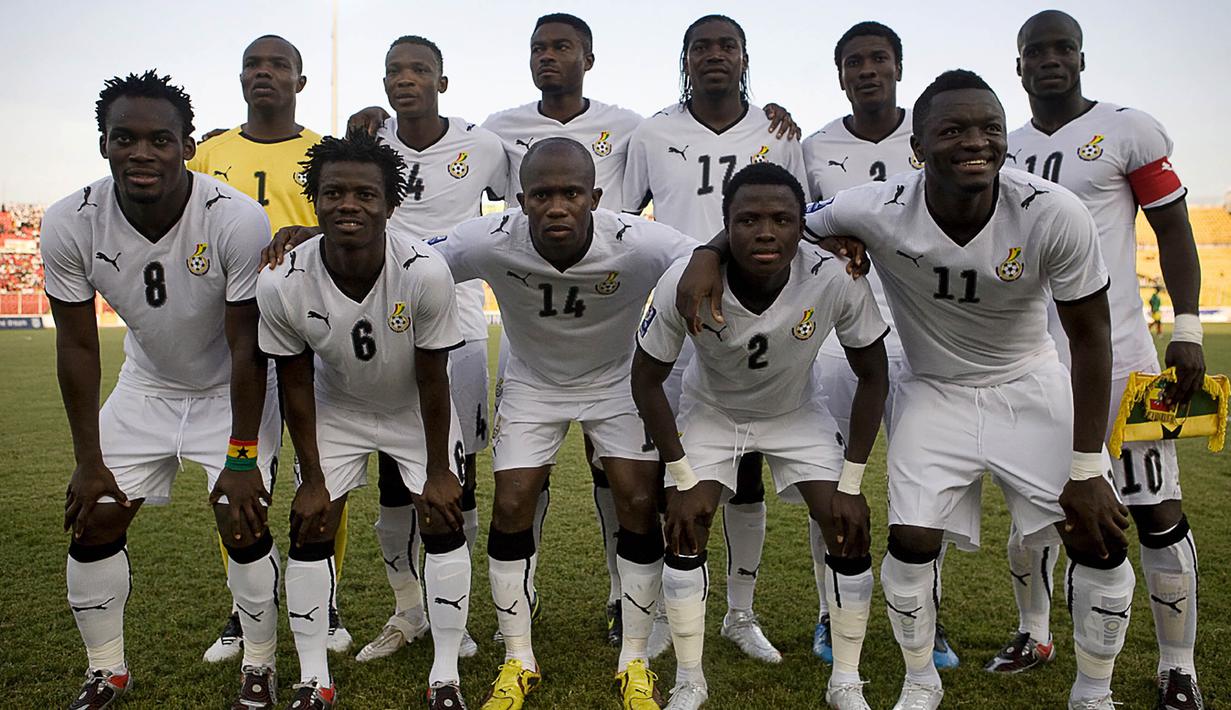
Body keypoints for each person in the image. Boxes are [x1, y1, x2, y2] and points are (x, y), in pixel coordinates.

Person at [677, 70, 1134, 710]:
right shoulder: (876, 206)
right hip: (934, 390)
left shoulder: (1054, 212)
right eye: (952, 131)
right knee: (910, 540)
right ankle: (921, 681)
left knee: (1097, 533)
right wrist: (707, 252)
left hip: (1029, 383)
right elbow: (777, 220)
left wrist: (1087, 467)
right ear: (917, 148)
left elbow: (1090, 337)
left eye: (990, 129)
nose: (975, 142)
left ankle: (1094, 691)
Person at [426, 137, 696, 710]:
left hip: (617, 380)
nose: (556, 206)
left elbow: (709, 255)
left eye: (571, 193)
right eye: (541, 194)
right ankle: (518, 658)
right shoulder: (489, 238)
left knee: (637, 501)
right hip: (532, 382)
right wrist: (316, 240)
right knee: (512, 500)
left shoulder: (636, 240)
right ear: (518, 200)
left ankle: (635, 659)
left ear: (594, 197)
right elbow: (408, 259)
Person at [41, 70, 281, 708]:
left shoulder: (234, 218)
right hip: (146, 385)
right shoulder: (70, 220)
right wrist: (89, 461)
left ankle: (259, 665)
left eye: (160, 140)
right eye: (124, 138)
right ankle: (105, 670)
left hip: (232, 388)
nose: (141, 153)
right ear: (104, 144)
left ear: (188, 145)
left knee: (240, 516)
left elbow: (246, 344)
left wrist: (240, 456)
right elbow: (76, 344)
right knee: (94, 518)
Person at [995, 12, 1206, 708]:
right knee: (1035, 514)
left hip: (1124, 359)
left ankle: (1177, 666)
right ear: (1017, 64)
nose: (1049, 60)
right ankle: (1033, 632)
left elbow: (1171, 228)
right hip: (1030, 365)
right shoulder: (1000, 147)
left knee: (1155, 510)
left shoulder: (1127, 129)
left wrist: (1186, 327)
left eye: (1062, 48)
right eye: (1035, 51)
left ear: (1080, 57)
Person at [631, 162, 890, 710]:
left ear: (804, 225)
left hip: (796, 413)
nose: (766, 231)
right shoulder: (687, 276)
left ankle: (846, 679)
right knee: (686, 523)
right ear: (725, 227)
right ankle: (689, 679)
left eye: (782, 219)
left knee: (846, 526)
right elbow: (645, 380)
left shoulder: (835, 275)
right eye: (747, 220)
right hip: (713, 411)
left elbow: (874, 375)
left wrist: (851, 479)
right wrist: (678, 478)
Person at [258, 131, 471, 710]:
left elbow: (433, 378)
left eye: (365, 194)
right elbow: (294, 383)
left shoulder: (423, 271)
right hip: (338, 409)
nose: (348, 204)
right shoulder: (281, 279)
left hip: (412, 408)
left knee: (442, 515)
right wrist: (313, 478)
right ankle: (312, 678)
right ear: (315, 199)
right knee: (311, 522)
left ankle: (445, 674)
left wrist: (436, 470)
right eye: (333, 193)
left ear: (389, 204)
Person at [621, 13, 808, 664]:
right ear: (685, 59)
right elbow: (624, 224)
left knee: (747, 468)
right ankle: (671, 611)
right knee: (669, 468)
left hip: (756, 321)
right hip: (676, 320)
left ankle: (739, 612)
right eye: (700, 46)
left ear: (744, 56)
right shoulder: (652, 131)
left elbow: (799, 221)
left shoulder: (779, 132)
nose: (713, 55)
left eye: (726, 45)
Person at [186, 34, 352, 662]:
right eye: (253, 65)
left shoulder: (324, 154)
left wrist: (312, 229)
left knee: (323, 475)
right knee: (239, 475)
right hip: (234, 343)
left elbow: (350, 223)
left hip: (312, 340)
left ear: (300, 81)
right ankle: (244, 609)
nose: (265, 74)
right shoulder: (206, 155)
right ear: (240, 78)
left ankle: (325, 602)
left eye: (278, 65)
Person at [800, 20, 957, 669]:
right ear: (840, 74)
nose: (866, 70)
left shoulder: (933, 139)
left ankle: (926, 615)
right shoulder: (812, 146)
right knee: (834, 482)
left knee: (925, 486)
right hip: (842, 340)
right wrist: (827, 241)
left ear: (897, 66)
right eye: (854, 62)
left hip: (924, 339)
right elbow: (792, 227)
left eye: (877, 59)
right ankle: (832, 613)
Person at [351, 34, 509, 665]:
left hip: (462, 330)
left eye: (418, 69)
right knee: (394, 480)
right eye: (393, 70)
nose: (404, 78)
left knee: (457, 480)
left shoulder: (485, 144)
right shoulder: (369, 140)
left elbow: (521, 203)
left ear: (442, 80)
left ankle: (457, 615)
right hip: (384, 324)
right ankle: (406, 610)